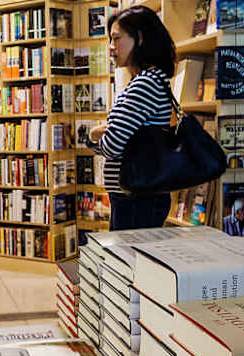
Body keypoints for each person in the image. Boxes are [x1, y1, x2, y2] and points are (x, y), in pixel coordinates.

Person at [87, 6, 176, 230]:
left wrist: (94, 135)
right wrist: (109, 132)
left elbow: (112, 147)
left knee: (128, 261)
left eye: (117, 39)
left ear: (140, 38)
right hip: (137, 195)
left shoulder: (144, 84)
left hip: (136, 199)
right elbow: (123, 135)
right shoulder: (150, 79)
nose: (111, 47)